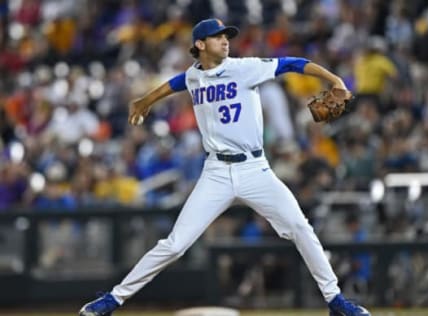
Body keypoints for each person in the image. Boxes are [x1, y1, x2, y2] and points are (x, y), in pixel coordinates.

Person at [79, 18, 370, 316]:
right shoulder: (195, 76)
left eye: (226, 36)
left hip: (255, 169)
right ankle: (113, 300)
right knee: (176, 244)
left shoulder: (244, 68)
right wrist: (145, 100)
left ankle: (335, 301)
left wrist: (333, 79)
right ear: (200, 45)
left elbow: (293, 63)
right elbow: (180, 81)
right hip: (216, 173)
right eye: (217, 37)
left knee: (299, 227)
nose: (226, 41)